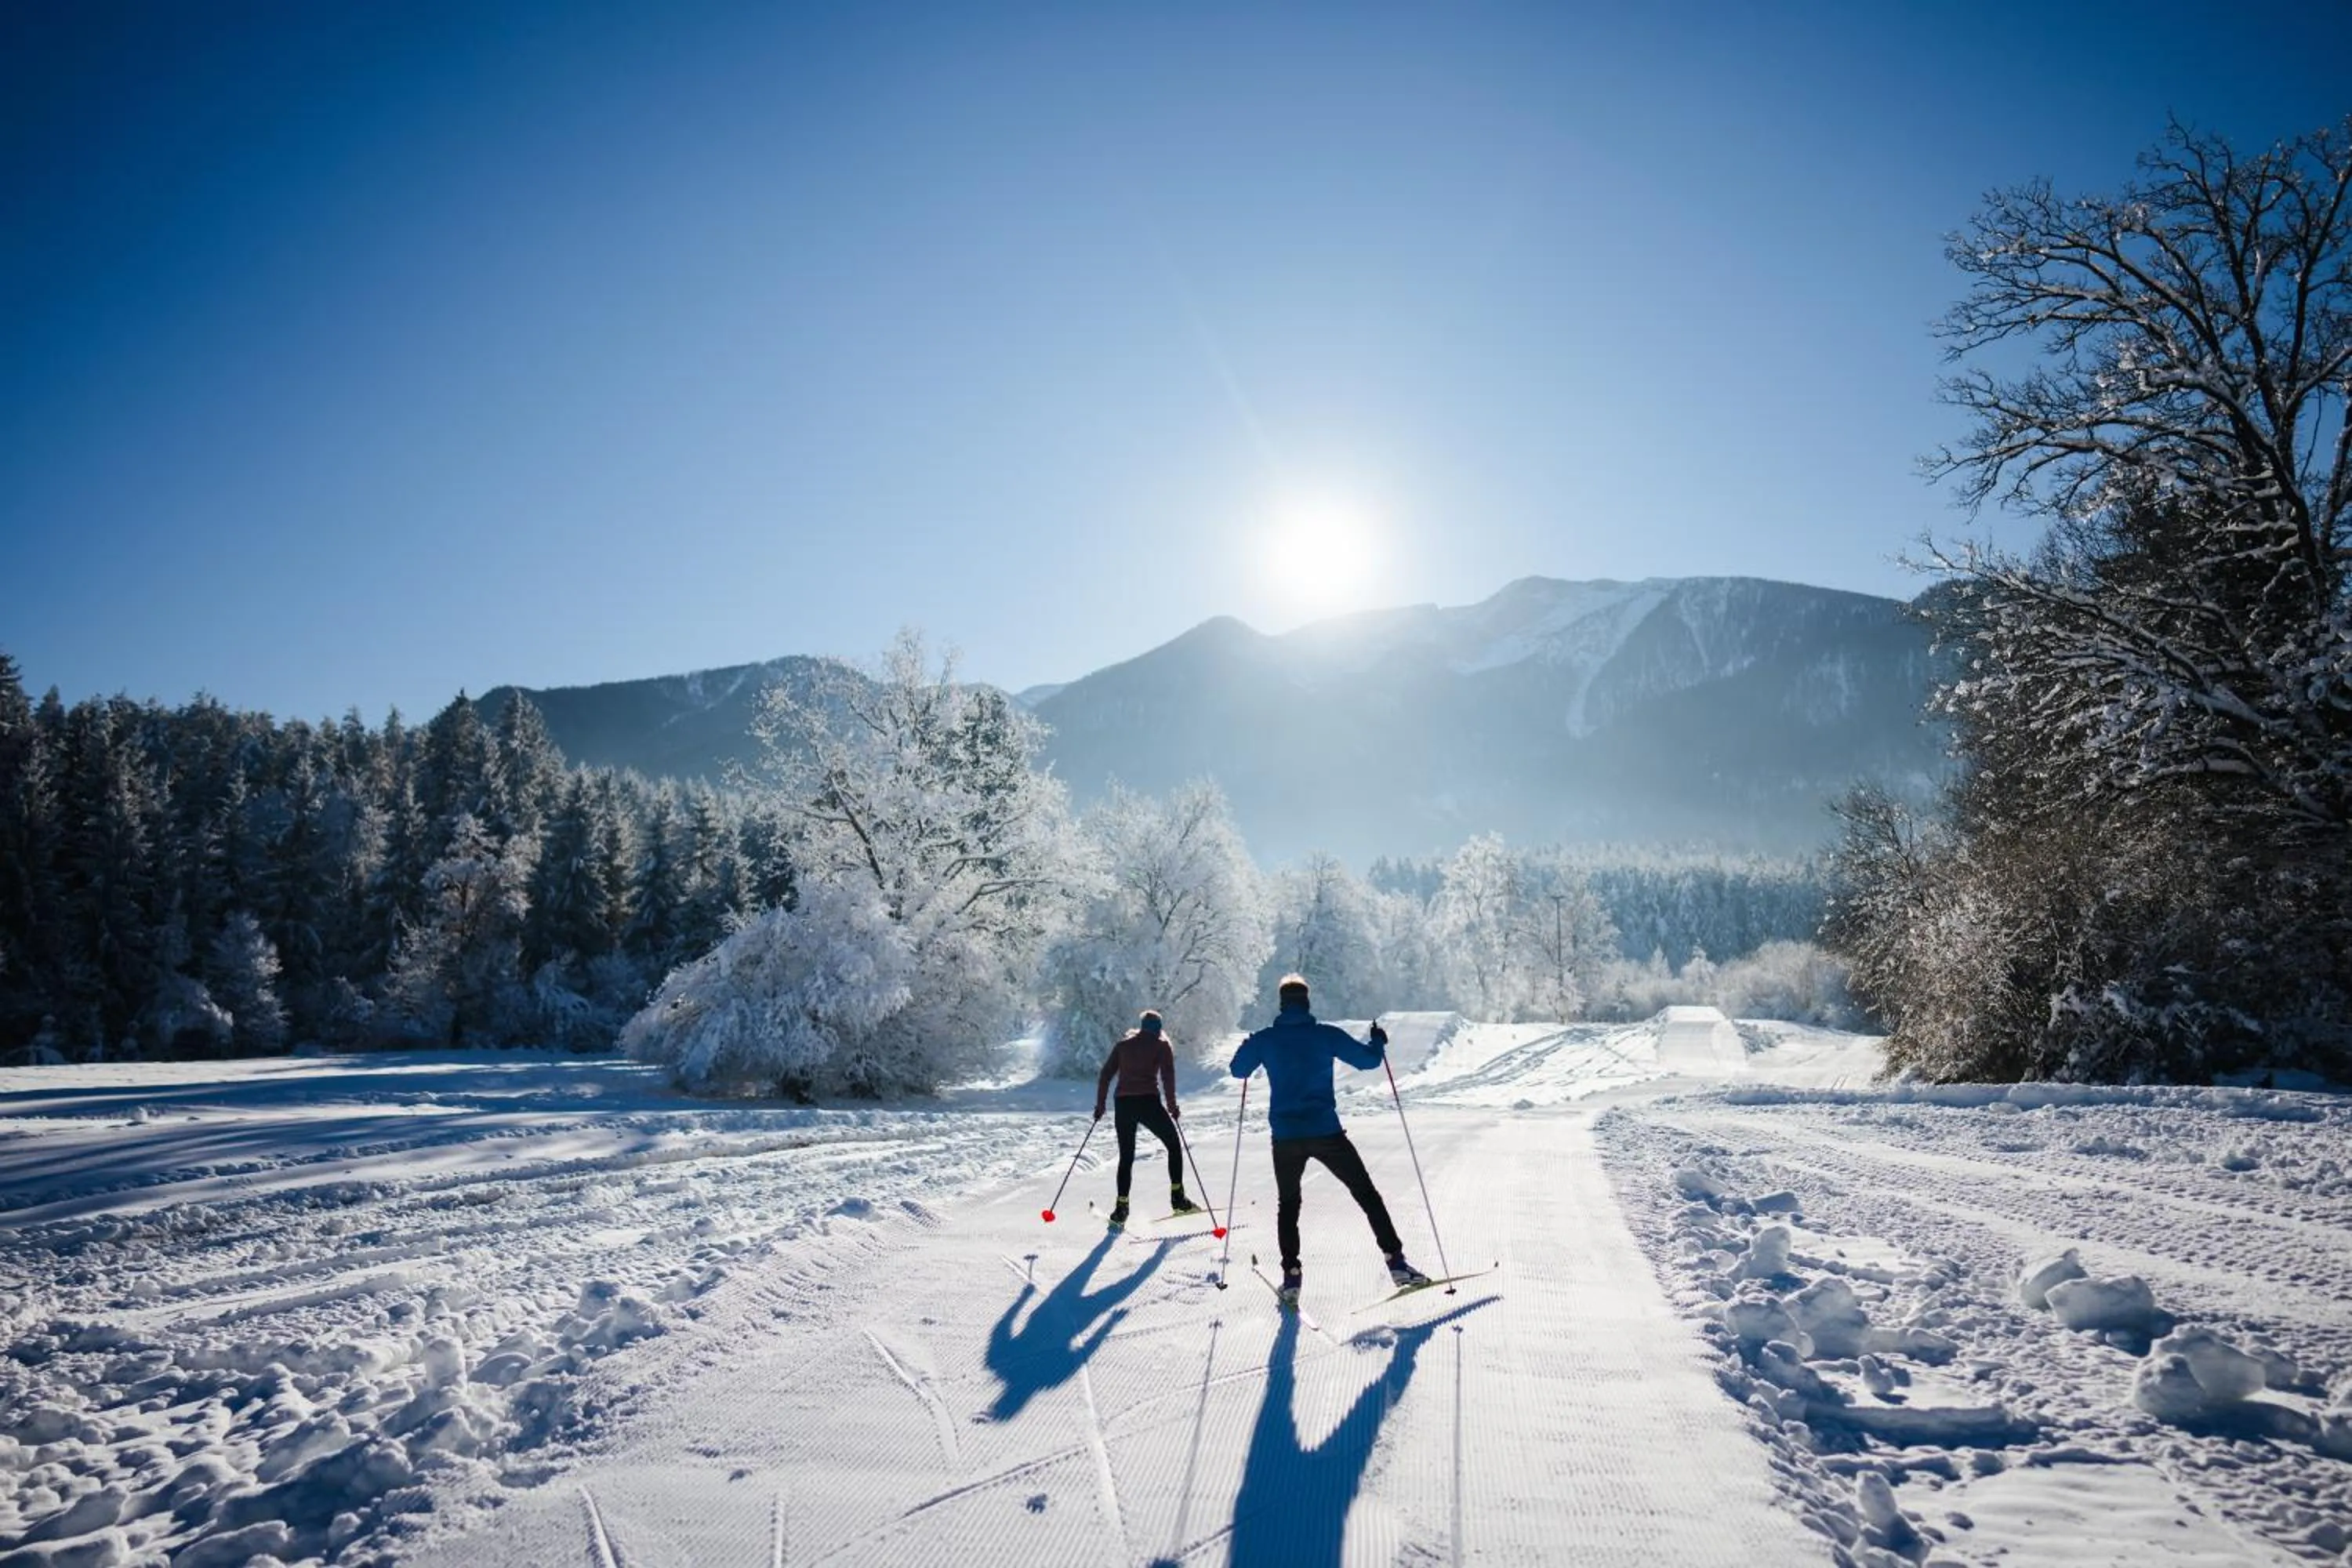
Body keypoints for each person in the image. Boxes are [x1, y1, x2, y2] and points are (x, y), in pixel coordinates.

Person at [1229, 974, 1432, 1305]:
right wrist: (1378, 1041)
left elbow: (1238, 1071)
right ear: (1307, 1003)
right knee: (1366, 1194)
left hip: (1286, 1137)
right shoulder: (1325, 1035)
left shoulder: (1266, 1039)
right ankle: (1396, 1262)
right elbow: (1368, 1061)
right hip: (1326, 1131)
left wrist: (1247, 1045)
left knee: (1289, 1205)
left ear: (1282, 1004)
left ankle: (1291, 1277)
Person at [1094, 1010, 1198, 1228]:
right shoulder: (1161, 1045)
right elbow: (1168, 1077)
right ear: (1159, 1028)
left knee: (1126, 1157)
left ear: (1142, 1026)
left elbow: (1105, 1075)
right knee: (1173, 1146)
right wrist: (1172, 1106)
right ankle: (1178, 1199)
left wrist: (1101, 1105)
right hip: (1148, 1102)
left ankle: (1121, 1208)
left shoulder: (1123, 1045)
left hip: (1123, 1104)